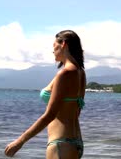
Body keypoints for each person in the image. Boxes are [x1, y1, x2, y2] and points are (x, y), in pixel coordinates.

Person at [5, 30, 86, 159]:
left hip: (60, 143)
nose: (52, 51)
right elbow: (76, 111)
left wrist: (20, 141)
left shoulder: (65, 74)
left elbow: (49, 115)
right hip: (75, 143)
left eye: (54, 46)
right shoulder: (80, 73)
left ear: (63, 44)